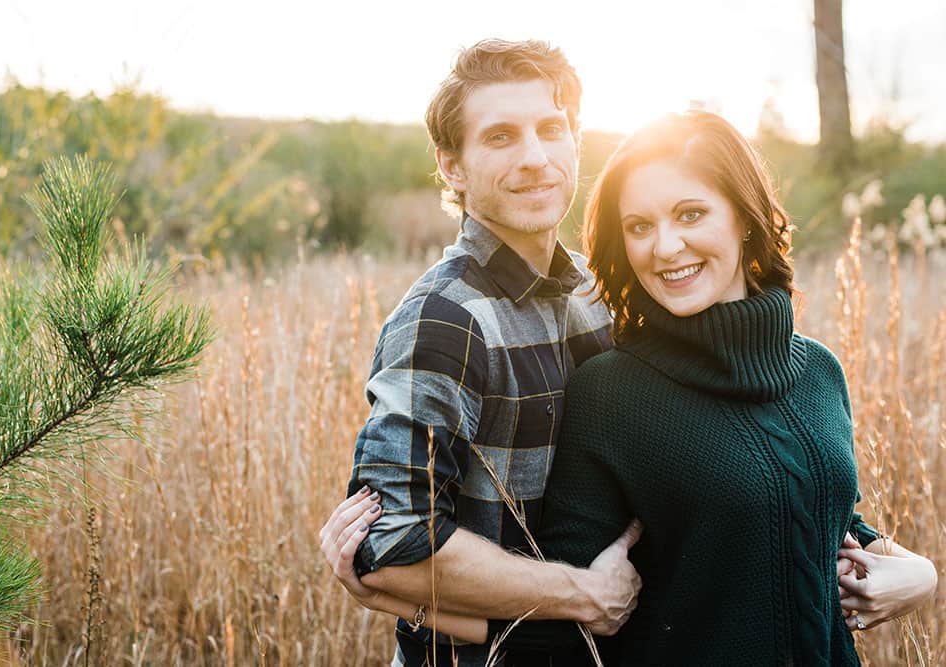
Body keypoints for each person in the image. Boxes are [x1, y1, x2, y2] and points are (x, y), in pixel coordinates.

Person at [479, 110, 939, 663]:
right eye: (640, 226)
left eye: (690, 214)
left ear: (745, 218)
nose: (666, 247)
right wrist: (414, 600)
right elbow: (552, 624)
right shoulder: (612, 394)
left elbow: (813, 517)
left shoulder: (819, 371)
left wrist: (921, 573)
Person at [318, 39, 643, 666]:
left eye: (552, 129)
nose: (535, 158)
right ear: (453, 168)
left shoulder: (601, 295)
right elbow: (396, 541)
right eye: (500, 137)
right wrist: (583, 594)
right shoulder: (444, 320)